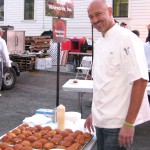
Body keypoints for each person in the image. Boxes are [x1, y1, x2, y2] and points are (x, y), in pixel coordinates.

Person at [84, 0, 150, 150]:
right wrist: (94, 113)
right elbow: (103, 83)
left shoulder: (126, 39)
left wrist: (129, 123)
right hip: (100, 122)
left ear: (110, 11)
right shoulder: (100, 43)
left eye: (98, 14)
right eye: (91, 17)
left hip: (118, 125)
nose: (95, 20)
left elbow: (140, 81)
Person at [0, 28, 11, 96]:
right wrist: (8, 64)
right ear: (0, 33)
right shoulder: (1, 41)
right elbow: (5, 54)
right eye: (2, 32)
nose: (3, 33)